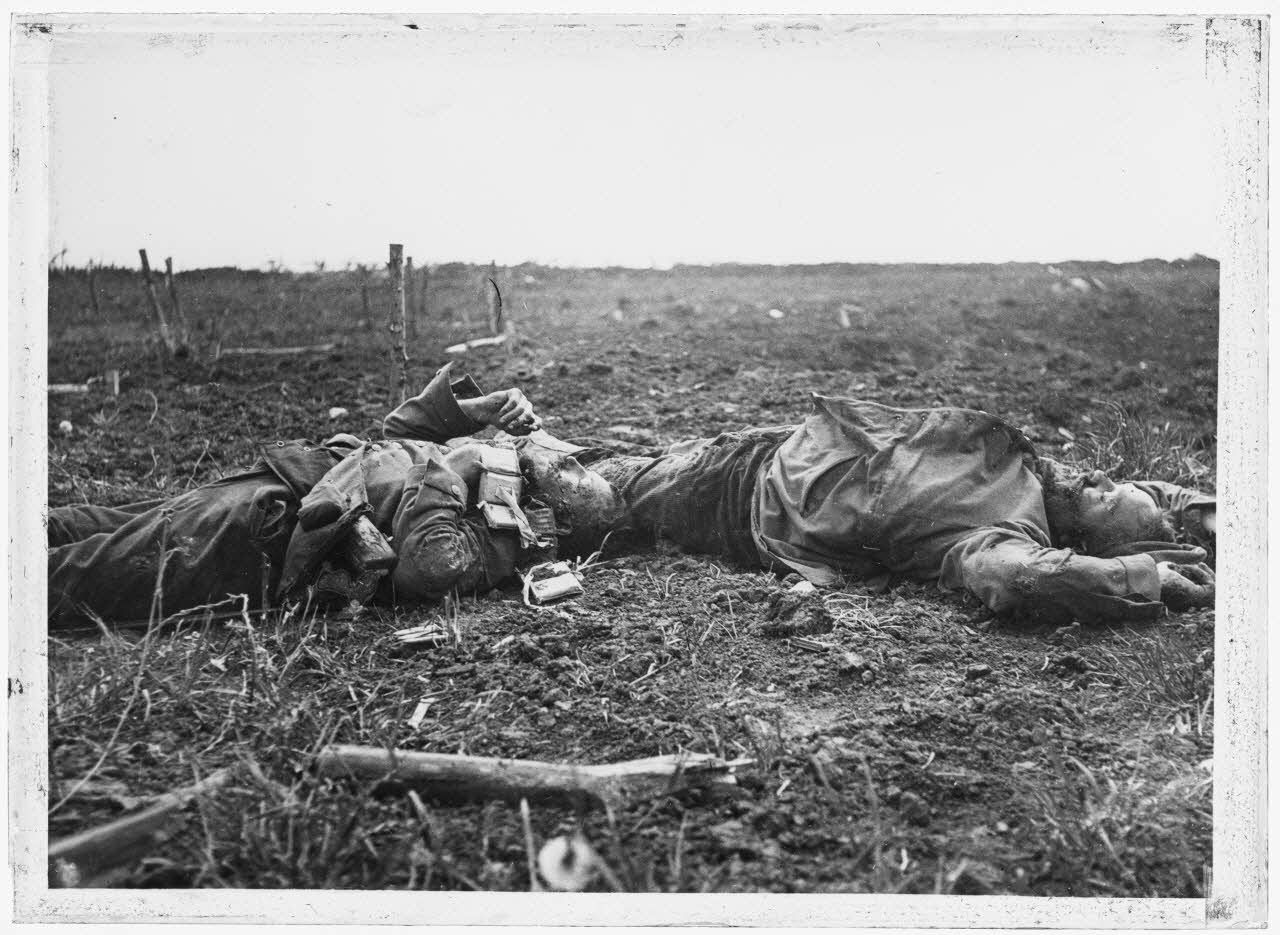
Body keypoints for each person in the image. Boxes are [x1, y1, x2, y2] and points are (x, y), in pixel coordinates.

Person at [47, 363, 625, 628]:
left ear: (559, 501)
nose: (557, 449)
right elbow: (395, 441)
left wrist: (452, 466)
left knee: (72, 574)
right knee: (78, 523)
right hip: (277, 485)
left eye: (572, 467)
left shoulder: (509, 523)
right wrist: (467, 414)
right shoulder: (497, 473)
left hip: (260, 540)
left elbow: (432, 564)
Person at [577, 393, 1216, 626]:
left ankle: (502, 475)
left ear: (1086, 538)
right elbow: (1156, 503)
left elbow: (1024, 580)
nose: (1097, 478)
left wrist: (1144, 578)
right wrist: (1210, 515)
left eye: (1104, 496)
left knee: (595, 497)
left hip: (742, 502)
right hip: (781, 443)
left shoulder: (1003, 535)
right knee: (602, 460)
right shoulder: (1048, 482)